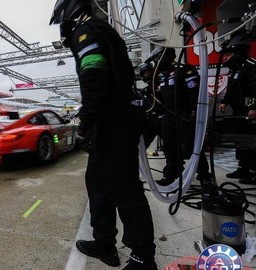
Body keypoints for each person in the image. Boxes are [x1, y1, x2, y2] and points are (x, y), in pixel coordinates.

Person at [49, 1, 157, 269]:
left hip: (114, 122)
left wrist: (86, 121)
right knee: (98, 184)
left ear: (68, 14)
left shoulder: (86, 32)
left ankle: (143, 257)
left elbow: (94, 76)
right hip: (111, 121)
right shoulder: (98, 29)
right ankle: (104, 243)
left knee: (124, 189)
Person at [149, 47, 212, 186]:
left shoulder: (184, 69)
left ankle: (204, 176)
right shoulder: (159, 74)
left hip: (183, 113)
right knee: (169, 147)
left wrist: (194, 111)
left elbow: (194, 90)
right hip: (167, 114)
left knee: (190, 146)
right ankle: (172, 174)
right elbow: (155, 94)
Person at [219, 33, 256, 184]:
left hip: (250, 111)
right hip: (239, 111)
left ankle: (254, 171)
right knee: (241, 141)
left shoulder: (251, 66)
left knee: (252, 141)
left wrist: (254, 107)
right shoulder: (236, 69)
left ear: (238, 53)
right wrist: (225, 101)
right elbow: (232, 88)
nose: (225, 58)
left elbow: (255, 88)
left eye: (228, 54)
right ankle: (243, 167)